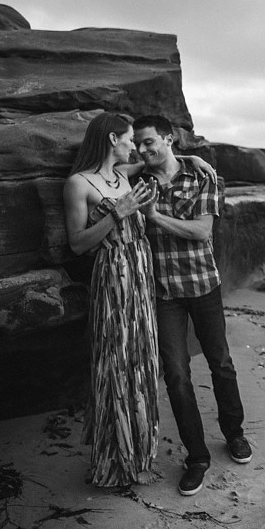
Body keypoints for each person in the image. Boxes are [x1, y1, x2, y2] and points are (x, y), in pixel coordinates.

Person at [64, 112, 216, 488]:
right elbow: (78, 244)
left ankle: (138, 452)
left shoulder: (124, 175)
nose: (135, 146)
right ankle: (114, 459)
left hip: (143, 276)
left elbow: (161, 159)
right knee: (116, 364)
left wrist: (194, 159)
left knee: (142, 365)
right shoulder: (78, 184)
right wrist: (119, 212)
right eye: (130, 139)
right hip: (114, 278)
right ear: (113, 139)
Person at [132, 114, 251, 497]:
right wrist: (160, 163)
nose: (143, 149)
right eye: (138, 144)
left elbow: (202, 232)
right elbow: (113, 166)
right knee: (177, 375)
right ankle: (196, 456)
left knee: (221, 363)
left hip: (202, 287)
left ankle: (234, 434)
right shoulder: (139, 181)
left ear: (169, 139)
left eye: (150, 142)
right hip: (163, 293)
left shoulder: (204, 177)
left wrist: (153, 217)